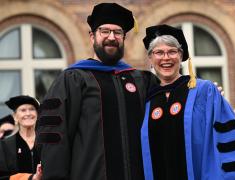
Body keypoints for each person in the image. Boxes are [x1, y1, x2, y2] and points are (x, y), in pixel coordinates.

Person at [35, 3, 158, 180]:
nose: (111, 37)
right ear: (92, 36)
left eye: (117, 32)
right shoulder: (73, 79)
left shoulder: (141, 80)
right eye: (105, 31)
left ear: (124, 38)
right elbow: (54, 138)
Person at [140, 24, 235, 180]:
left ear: (181, 56)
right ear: (150, 58)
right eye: (159, 53)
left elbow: (227, 142)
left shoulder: (204, 92)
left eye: (172, 52)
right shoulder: (144, 98)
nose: (166, 58)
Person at [0, 95, 42, 180]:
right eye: (23, 110)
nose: (28, 113)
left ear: (37, 115)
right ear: (15, 117)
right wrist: (31, 178)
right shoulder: (5, 145)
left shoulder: (47, 142)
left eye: (32, 109)